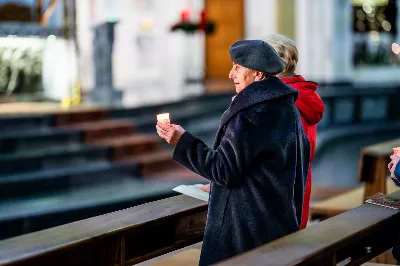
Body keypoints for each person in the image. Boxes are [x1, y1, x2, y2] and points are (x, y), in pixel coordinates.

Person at [156, 39, 310, 266]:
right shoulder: (285, 107)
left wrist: (181, 141)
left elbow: (223, 169)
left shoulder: (253, 113)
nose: (231, 74)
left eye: (238, 67)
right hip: (275, 222)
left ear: (257, 75)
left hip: (245, 232)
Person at [200, 34, 324, 230]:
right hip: (294, 194)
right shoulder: (301, 98)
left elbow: (271, 162)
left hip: (272, 205)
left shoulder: (279, 105)